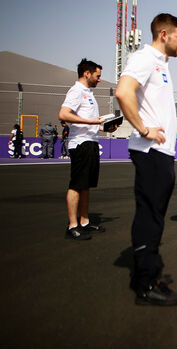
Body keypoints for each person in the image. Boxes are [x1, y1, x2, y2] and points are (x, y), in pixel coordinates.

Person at [115, 13, 177, 306]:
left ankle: (149, 276)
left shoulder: (161, 64)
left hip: (162, 153)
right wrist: (144, 129)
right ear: (163, 35)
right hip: (150, 151)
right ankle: (146, 284)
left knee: (154, 215)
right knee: (150, 216)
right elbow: (123, 92)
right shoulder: (145, 58)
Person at [59, 58, 113, 240]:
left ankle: (84, 221)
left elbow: (92, 123)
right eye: (97, 76)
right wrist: (92, 121)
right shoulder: (76, 91)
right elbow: (64, 114)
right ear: (87, 73)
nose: (99, 79)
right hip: (80, 143)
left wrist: (105, 127)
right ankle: (72, 225)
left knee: (86, 185)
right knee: (76, 185)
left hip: (90, 142)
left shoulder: (89, 93)